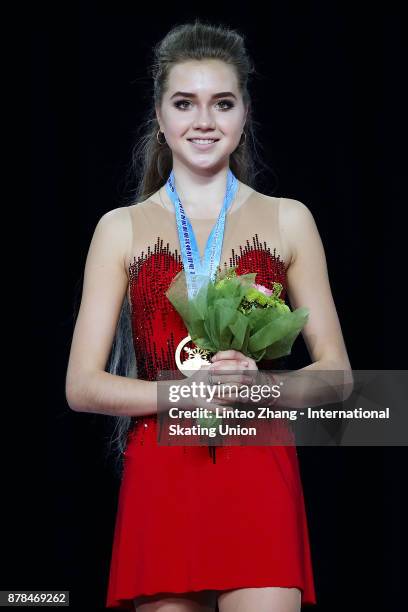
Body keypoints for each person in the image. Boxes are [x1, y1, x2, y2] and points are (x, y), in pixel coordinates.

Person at [66, 19, 352, 612]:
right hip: (162, 474)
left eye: (222, 102)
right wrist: (181, 398)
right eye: (185, 103)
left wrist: (261, 388)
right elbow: (81, 385)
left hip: (258, 468)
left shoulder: (288, 219)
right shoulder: (118, 230)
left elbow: (339, 377)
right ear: (160, 115)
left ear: (244, 112)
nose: (204, 121)